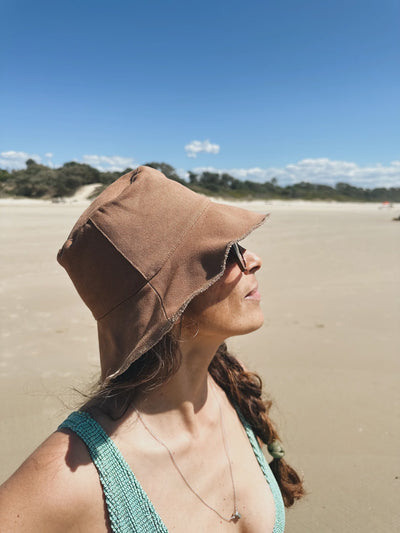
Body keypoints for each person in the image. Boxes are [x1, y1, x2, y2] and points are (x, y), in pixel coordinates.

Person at [0, 166, 304, 532]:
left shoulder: (229, 385)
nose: (252, 259)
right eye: (225, 252)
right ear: (172, 303)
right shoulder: (71, 475)